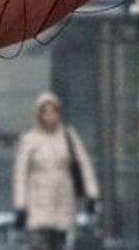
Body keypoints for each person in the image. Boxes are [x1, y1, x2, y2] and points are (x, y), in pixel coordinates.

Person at [12, 92, 99, 250]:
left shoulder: (69, 135)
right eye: (45, 112)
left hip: (63, 203)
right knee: (38, 244)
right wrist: (20, 206)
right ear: (39, 115)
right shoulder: (29, 139)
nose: (50, 116)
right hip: (37, 205)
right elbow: (20, 175)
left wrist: (92, 194)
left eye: (54, 112)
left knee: (61, 244)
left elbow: (84, 165)